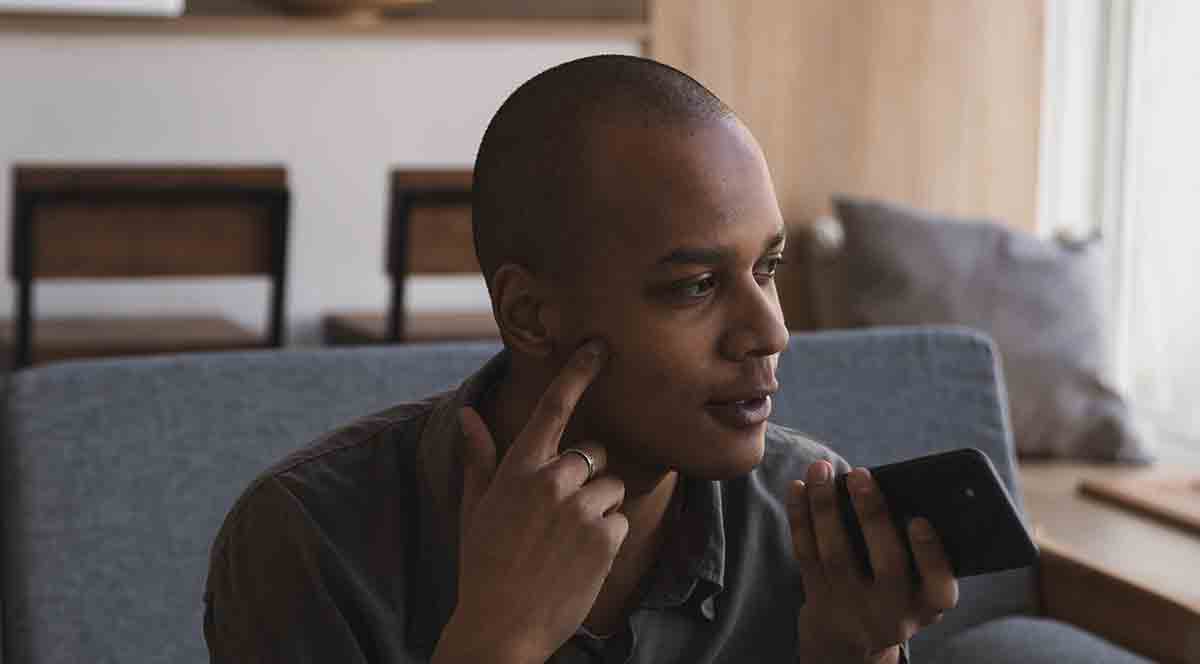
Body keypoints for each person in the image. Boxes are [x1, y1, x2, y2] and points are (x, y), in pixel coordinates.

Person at [203, 54, 958, 664]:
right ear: (531, 315)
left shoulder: (809, 525)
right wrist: (497, 641)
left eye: (767, 268)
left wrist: (852, 656)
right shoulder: (309, 541)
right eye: (695, 286)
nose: (769, 333)